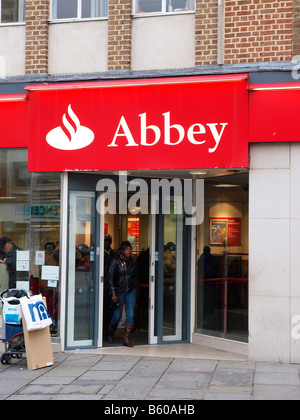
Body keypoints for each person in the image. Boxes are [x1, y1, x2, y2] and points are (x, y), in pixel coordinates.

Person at [108, 240, 138, 347]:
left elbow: (135, 277)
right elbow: (110, 277)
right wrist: (113, 293)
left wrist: (135, 290)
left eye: (130, 249)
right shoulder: (115, 261)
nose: (129, 251)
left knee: (130, 315)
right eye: (127, 249)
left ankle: (126, 339)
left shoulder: (133, 262)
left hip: (131, 291)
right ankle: (111, 332)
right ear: (122, 251)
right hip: (119, 291)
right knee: (117, 315)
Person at [103, 234, 116, 341]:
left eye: (109, 241)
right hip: (102, 285)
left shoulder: (114, 254)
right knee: (102, 310)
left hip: (111, 286)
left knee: (110, 311)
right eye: (105, 241)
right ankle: (103, 332)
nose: (107, 243)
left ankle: (108, 333)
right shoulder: (100, 254)